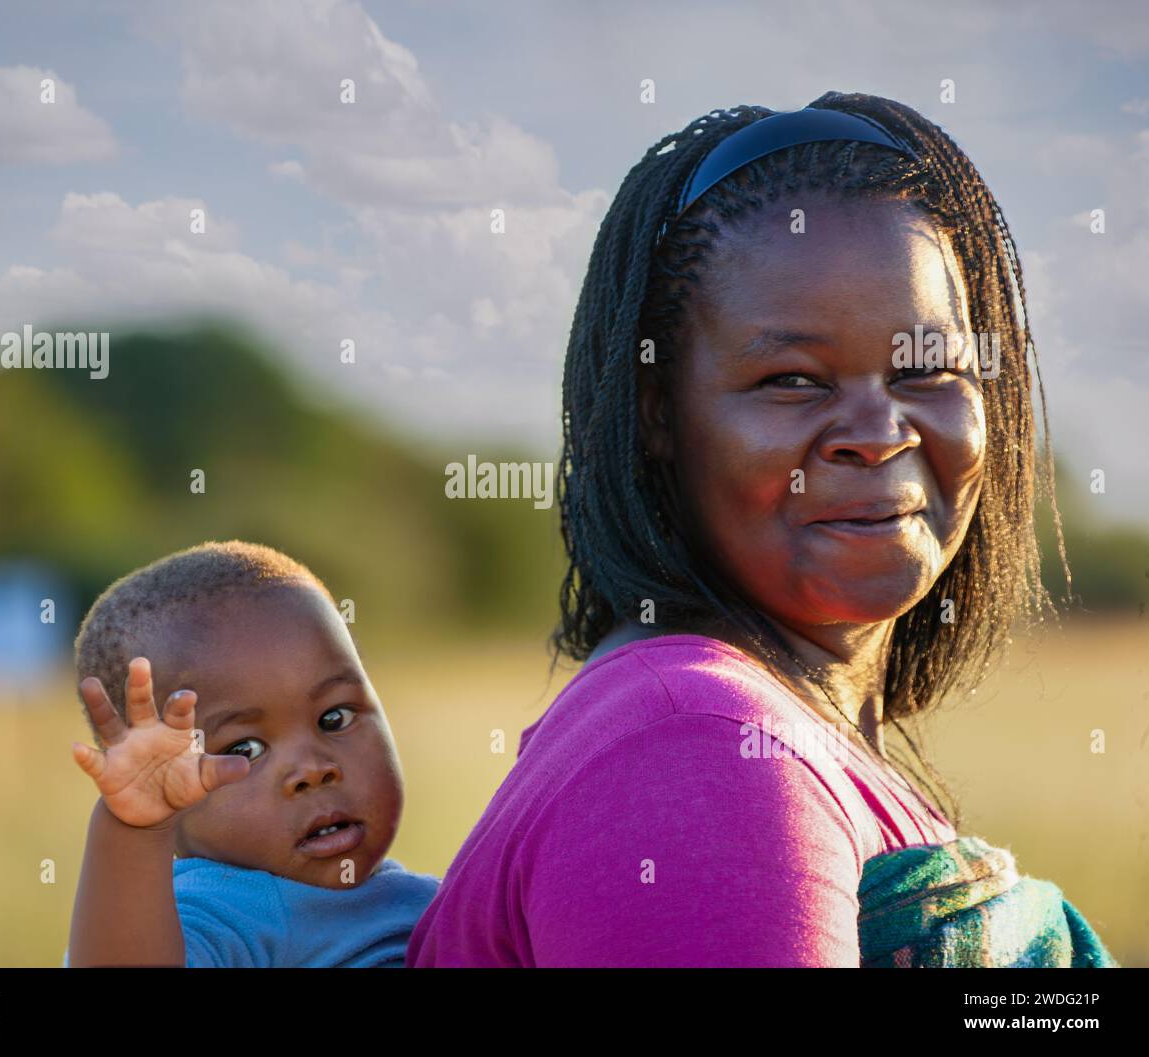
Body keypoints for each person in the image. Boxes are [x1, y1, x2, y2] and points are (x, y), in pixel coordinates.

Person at [406, 93, 1118, 968]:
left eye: (927, 368)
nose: (878, 429)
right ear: (657, 414)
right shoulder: (698, 748)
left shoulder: (765, 732)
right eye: (792, 380)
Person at [62, 540, 439, 967]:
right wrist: (132, 831)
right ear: (170, 803)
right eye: (245, 748)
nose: (313, 771)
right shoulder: (224, 911)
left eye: (334, 717)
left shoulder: (423, 900)